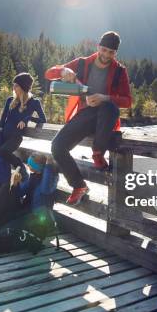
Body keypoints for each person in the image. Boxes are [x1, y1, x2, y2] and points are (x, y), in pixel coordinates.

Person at [45, 31, 132, 206]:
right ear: (98, 47)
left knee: (109, 107)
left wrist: (104, 97)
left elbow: (127, 101)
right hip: (85, 116)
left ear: (116, 53)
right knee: (57, 146)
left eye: (111, 52)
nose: (107, 55)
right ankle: (79, 186)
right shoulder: (82, 63)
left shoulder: (120, 71)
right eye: (104, 49)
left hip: (106, 118)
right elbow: (49, 74)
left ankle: (98, 153)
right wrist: (63, 70)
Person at [0, 73, 47, 169]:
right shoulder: (10, 100)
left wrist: (28, 118)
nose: (13, 88)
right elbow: (2, 119)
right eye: (13, 85)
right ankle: (4, 182)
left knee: (3, 152)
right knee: (0, 159)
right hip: (3, 135)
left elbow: (43, 119)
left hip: (15, 138)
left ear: (23, 87)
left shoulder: (34, 102)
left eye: (16, 85)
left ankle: (21, 168)